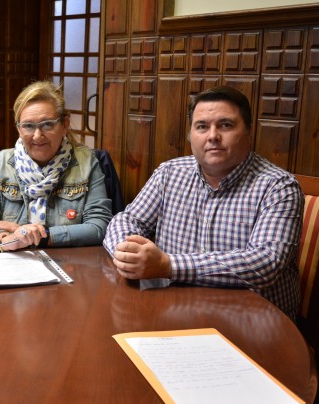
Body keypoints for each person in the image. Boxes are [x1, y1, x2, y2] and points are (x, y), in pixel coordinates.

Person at [103, 86, 303, 319]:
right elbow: (128, 219)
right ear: (190, 135)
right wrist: (125, 252)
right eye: (202, 126)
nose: (213, 136)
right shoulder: (170, 173)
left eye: (226, 125)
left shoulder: (278, 186)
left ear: (248, 131)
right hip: (174, 312)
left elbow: (265, 261)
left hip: (252, 322)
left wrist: (168, 265)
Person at [0, 81, 113, 251]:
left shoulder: (86, 163)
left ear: (65, 124)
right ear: (18, 128)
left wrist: (40, 236)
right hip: (13, 263)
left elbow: (99, 226)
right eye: (28, 126)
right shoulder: (2, 164)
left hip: (70, 265)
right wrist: (7, 240)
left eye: (47, 124)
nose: (38, 136)